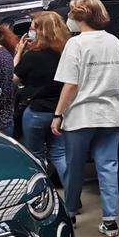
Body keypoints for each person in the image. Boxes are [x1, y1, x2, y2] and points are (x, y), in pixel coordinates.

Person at [51, 0, 119, 237]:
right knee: (108, 166)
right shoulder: (113, 41)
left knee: (75, 167)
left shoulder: (76, 44)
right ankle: (110, 220)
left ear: (77, 16)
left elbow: (70, 85)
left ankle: (71, 213)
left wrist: (58, 114)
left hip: (81, 115)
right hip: (110, 115)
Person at [15, 11, 70, 180]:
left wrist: (18, 52)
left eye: (32, 28)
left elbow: (14, 78)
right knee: (59, 154)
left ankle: (43, 196)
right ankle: (73, 196)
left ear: (41, 31)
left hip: (36, 112)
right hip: (60, 112)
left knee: (36, 156)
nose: (30, 32)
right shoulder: (66, 54)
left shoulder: (32, 57)